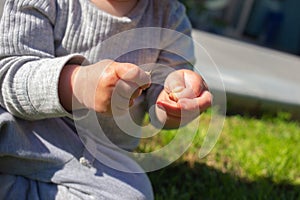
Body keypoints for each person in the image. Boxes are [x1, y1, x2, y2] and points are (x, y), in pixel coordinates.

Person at [0, 0, 212, 199]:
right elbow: (10, 73)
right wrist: (77, 83)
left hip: (95, 158)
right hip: (22, 131)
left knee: (133, 194)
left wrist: (176, 101)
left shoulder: (169, 17)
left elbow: (161, 98)